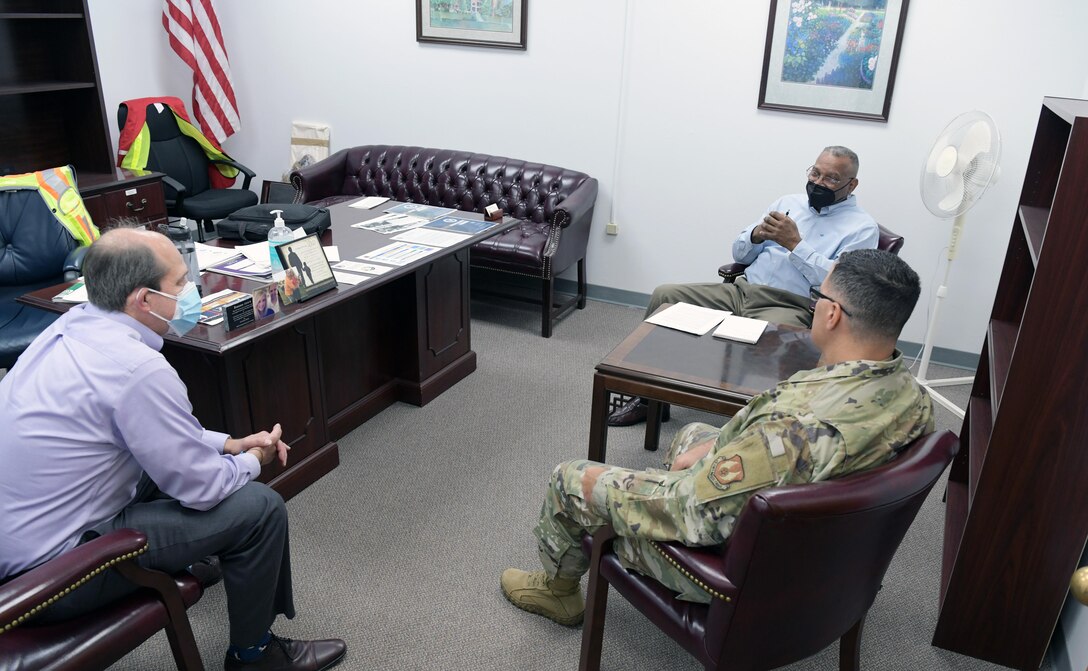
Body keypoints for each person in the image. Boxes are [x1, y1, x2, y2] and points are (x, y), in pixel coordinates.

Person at [501, 249, 932, 627]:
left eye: (819, 297)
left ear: (833, 313)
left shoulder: (797, 427)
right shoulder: (912, 398)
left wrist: (630, 493)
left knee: (571, 478)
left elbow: (696, 513)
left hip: (741, 572)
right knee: (693, 435)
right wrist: (716, 450)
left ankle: (559, 593)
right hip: (827, 556)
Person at [0, 228, 346, 671]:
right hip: (56, 575)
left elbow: (156, 435)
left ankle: (197, 555)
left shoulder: (71, 327)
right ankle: (255, 656)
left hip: (25, 539)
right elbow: (203, 488)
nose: (191, 292)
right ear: (144, 300)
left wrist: (227, 443)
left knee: (183, 470)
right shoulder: (136, 369)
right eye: (181, 283)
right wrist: (251, 460)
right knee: (260, 509)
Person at [609, 145, 880, 427]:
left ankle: (757, 422)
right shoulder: (788, 202)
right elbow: (740, 255)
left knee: (761, 341)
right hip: (741, 289)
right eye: (815, 173)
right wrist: (755, 236)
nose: (818, 183)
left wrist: (795, 245)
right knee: (666, 295)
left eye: (831, 178)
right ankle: (648, 398)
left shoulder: (862, 228)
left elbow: (840, 286)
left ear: (852, 184)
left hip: (789, 304)